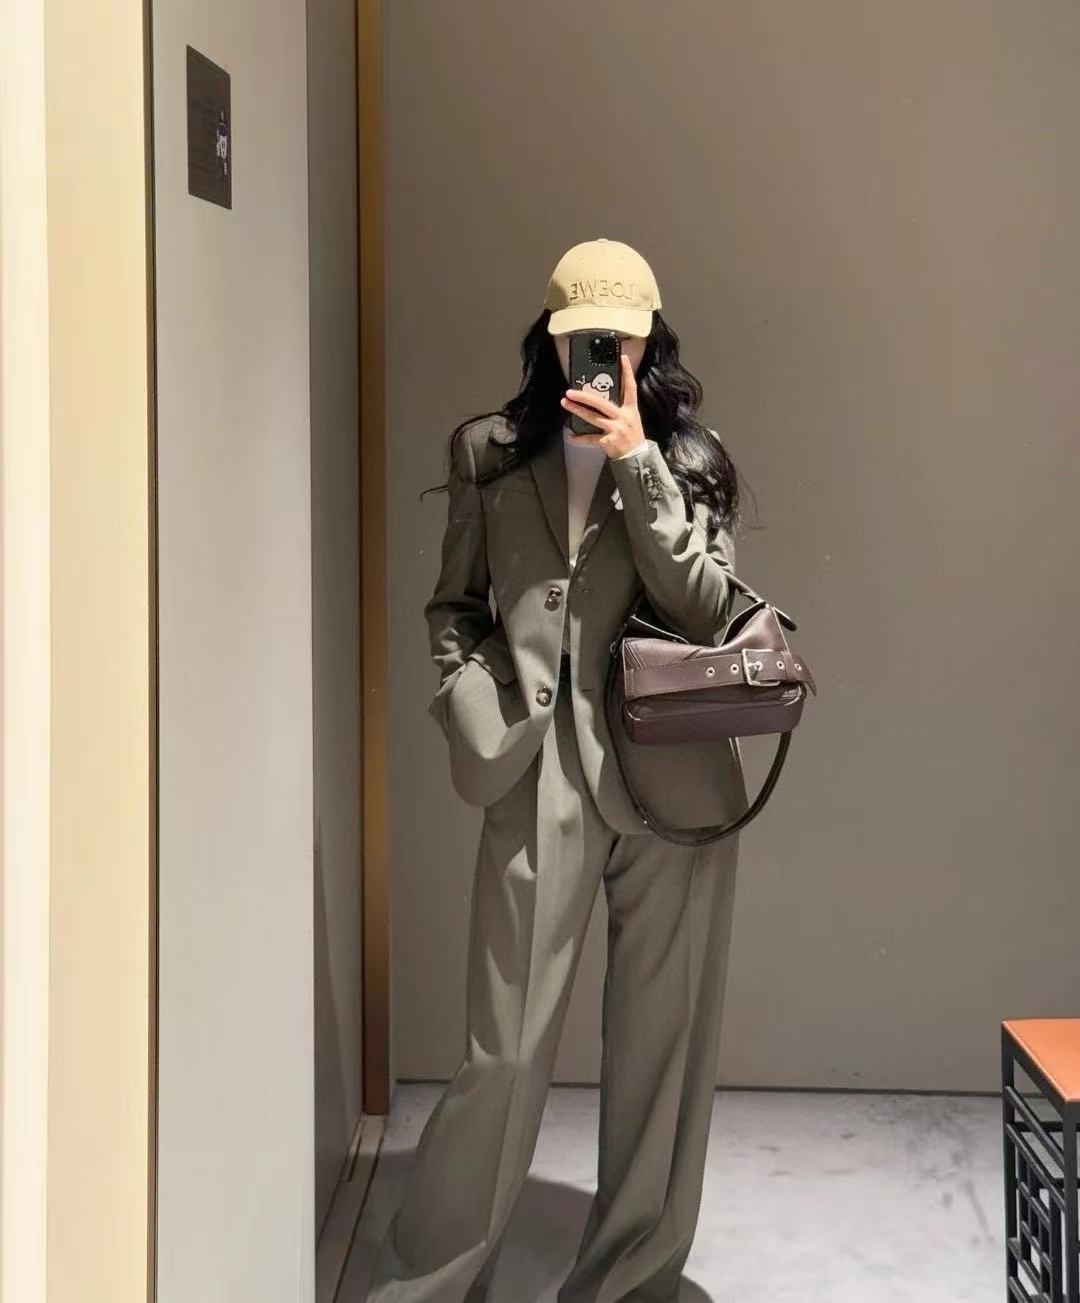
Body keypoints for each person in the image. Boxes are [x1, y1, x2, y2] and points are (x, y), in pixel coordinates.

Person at [367, 237, 749, 1303]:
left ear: (649, 343)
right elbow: (454, 605)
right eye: (584, 336)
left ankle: (631, 1280)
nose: (601, 355)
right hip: (538, 772)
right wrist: (468, 698)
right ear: (548, 337)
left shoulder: (690, 457)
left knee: (664, 1051)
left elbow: (707, 610)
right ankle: (431, 1282)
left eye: (621, 338)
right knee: (503, 1050)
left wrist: (637, 460)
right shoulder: (489, 452)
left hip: (671, 781)